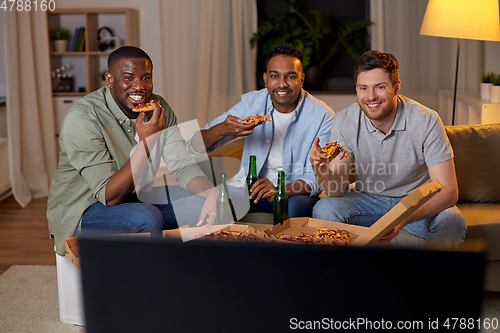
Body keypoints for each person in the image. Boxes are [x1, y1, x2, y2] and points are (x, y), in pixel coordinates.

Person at [47, 46, 218, 256]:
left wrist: (211, 193)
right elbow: (109, 196)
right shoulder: (83, 117)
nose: (139, 86)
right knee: (147, 217)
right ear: (109, 80)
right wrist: (146, 144)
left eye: (146, 78)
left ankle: (185, 273)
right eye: (128, 78)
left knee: (210, 199)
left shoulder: (158, 107)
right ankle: (150, 284)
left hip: (135, 196)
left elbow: (182, 166)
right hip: (84, 209)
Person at [310, 50, 467, 244]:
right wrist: (320, 168)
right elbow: (336, 190)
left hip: (415, 202)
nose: (371, 97)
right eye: (363, 88)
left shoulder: (426, 119)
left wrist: (402, 219)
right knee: (323, 208)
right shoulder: (344, 120)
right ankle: (349, 273)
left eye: (380, 87)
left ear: (397, 86)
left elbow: (449, 191)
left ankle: (429, 274)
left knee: (453, 221)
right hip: (367, 199)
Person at [189, 43, 334, 218]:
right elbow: (194, 145)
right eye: (275, 76)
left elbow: (317, 178)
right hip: (245, 191)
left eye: (290, 76)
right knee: (200, 203)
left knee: (297, 208)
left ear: (302, 79)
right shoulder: (251, 104)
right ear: (265, 79)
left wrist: (280, 189)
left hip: (293, 196)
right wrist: (223, 129)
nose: (282, 84)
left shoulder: (323, 115)